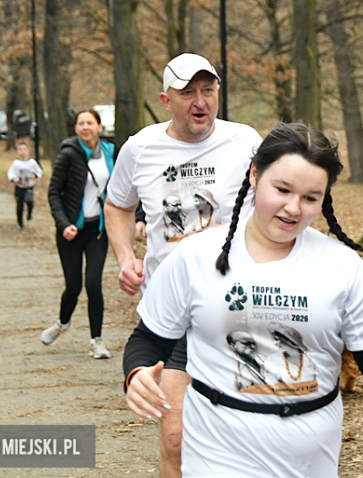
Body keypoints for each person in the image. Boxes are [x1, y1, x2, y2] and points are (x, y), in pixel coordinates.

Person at [123, 122, 363, 477]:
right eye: (282, 189)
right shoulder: (196, 254)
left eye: (310, 198)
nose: (292, 208)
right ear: (255, 174)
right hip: (217, 449)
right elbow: (148, 339)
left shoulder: (341, 265)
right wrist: (136, 374)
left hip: (310, 455)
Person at [104, 52, 262, 477]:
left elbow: (281, 200)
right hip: (173, 307)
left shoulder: (246, 140)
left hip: (239, 306)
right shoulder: (140, 148)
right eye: (187, 92)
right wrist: (124, 257)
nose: (200, 101)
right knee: (174, 438)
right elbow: (118, 206)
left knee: (244, 436)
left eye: (208, 90)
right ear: (165, 99)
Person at [41, 109, 117, 359]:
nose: (85, 127)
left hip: (98, 230)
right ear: (76, 129)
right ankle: (63, 323)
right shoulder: (68, 154)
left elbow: (123, 187)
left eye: (90, 123)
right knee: (73, 286)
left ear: (99, 126)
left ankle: (97, 341)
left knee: (93, 283)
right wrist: (64, 224)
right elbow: (53, 193)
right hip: (72, 231)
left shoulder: (110, 152)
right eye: (81, 123)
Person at [7, 142, 43, 230]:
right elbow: (10, 173)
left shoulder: (32, 163)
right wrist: (14, 178)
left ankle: (29, 213)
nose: (22, 152)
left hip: (29, 187)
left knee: (29, 200)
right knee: (19, 206)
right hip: (19, 187)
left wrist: (35, 175)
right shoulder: (16, 163)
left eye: (24, 150)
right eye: (20, 150)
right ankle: (20, 223)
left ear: (28, 151)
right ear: (17, 152)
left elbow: (39, 171)